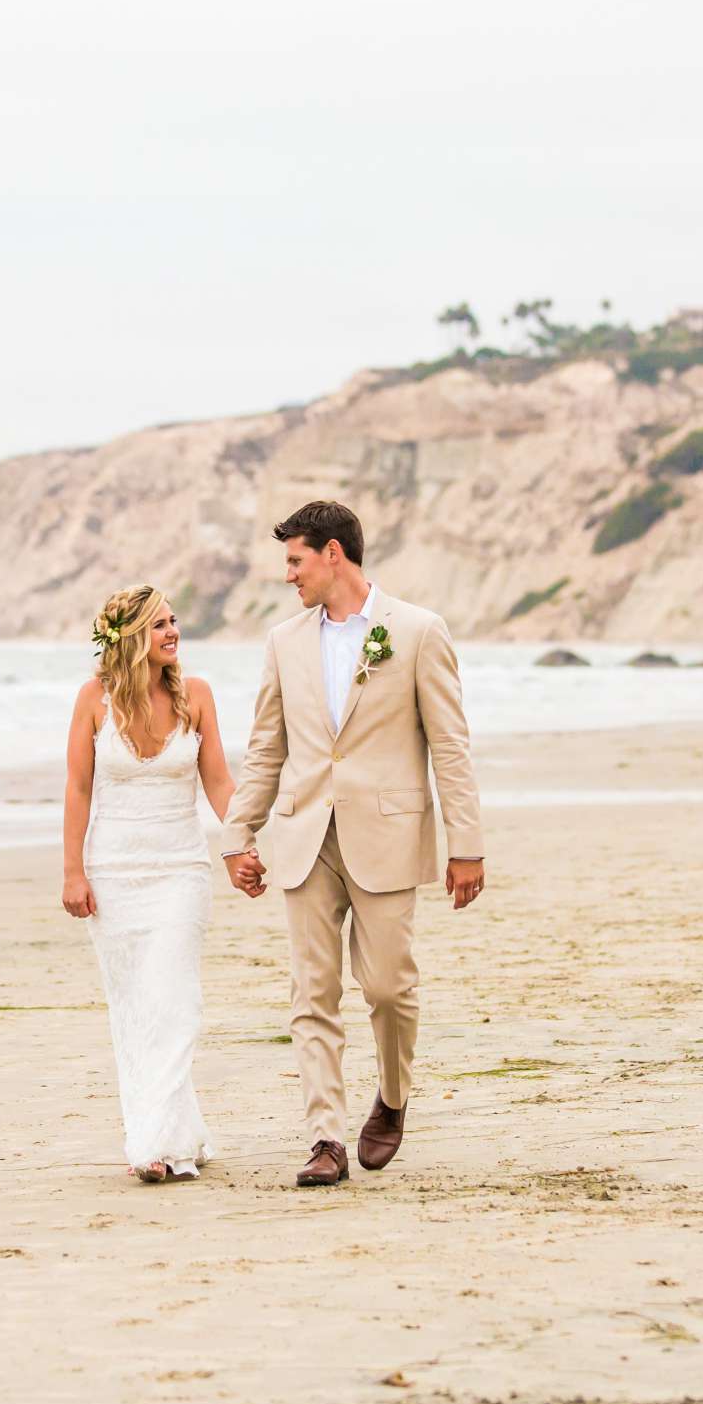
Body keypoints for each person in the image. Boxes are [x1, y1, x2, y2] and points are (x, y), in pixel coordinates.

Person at [220, 501, 485, 1188]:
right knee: (312, 992)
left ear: (333, 553)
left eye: (296, 560)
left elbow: (450, 747)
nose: (289, 576)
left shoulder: (419, 632)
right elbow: (266, 746)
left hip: (388, 834)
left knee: (390, 987)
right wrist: (237, 833)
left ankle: (392, 1097)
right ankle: (327, 1137)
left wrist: (468, 845)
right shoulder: (283, 641)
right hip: (304, 836)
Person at [60, 585, 238, 1183]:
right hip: (113, 874)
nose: (172, 631)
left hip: (181, 870)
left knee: (175, 1000)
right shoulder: (92, 700)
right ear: (131, 636)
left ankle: (151, 1145)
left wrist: (242, 842)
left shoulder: (198, 697)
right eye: (158, 623)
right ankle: (173, 1136)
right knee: (137, 1008)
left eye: (173, 620)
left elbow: (218, 783)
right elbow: (79, 790)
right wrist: (72, 870)